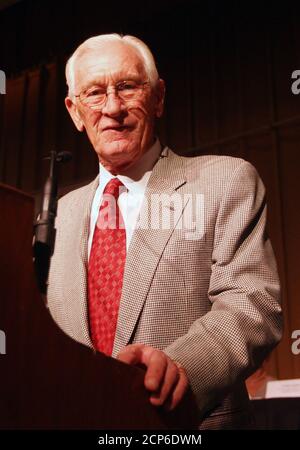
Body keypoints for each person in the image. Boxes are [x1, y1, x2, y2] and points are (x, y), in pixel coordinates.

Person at [46, 33, 283, 429]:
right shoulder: (56, 215)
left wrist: (182, 368)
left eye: (127, 87)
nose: (112, 108)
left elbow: (252, 304)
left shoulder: (225, 181)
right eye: (94, 93)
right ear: (74, 111)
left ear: (158, 97)